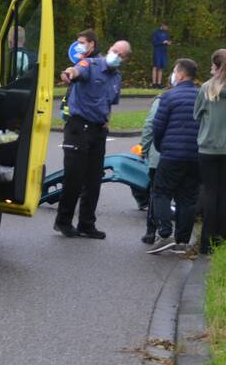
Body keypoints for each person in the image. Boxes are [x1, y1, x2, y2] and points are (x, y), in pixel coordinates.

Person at [55, 38, 132, 239]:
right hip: (78, 127)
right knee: (74, 177)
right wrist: (68, 74)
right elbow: (75, 71)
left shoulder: (116, 78)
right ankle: (63, 222)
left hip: (98, 130)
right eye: (116, 51)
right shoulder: (90, 64)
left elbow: (110, 103)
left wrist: (107, 121)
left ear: (125, 59)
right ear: (109, 49)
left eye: (122, 55)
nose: (117, 56)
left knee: (94, 180)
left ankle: (86, 224)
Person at [194, 50, 226, 254]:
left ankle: (206, 242)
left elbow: (197, 114)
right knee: (225, 193)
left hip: (209, 147)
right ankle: (221, 237)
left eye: (211, 66)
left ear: (216, 68)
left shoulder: (207, 88)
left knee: (209, 192)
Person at [146, 58, 201, 254]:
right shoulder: (202, 96)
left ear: (180, 74)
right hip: (195, 156)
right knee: (187, 199)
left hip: (172, 154)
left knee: (160, 192)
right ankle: (182, 241)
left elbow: (157, 127)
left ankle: (165, 232)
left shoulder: (169, 96)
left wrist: (162, 147)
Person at [136, 92, 163, 219]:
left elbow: (150, 126)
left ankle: (155, 230)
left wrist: (143, 148)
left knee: (158, 193)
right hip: (190, 155)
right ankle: (183, 236)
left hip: (161, 155)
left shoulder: (162, 100)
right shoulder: (199, 96)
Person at [150, 23, 172, 88]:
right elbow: (154, 42)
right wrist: (162, 42)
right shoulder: (156, 33)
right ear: (162, 25)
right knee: (155, 67)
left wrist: (168, 43)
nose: (167, 28)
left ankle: (159, 84)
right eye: (166, 26)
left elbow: (168, 41)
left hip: (163, 51)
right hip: (157, 51)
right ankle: (154, 84)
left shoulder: (166, 33)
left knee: (161, 67)